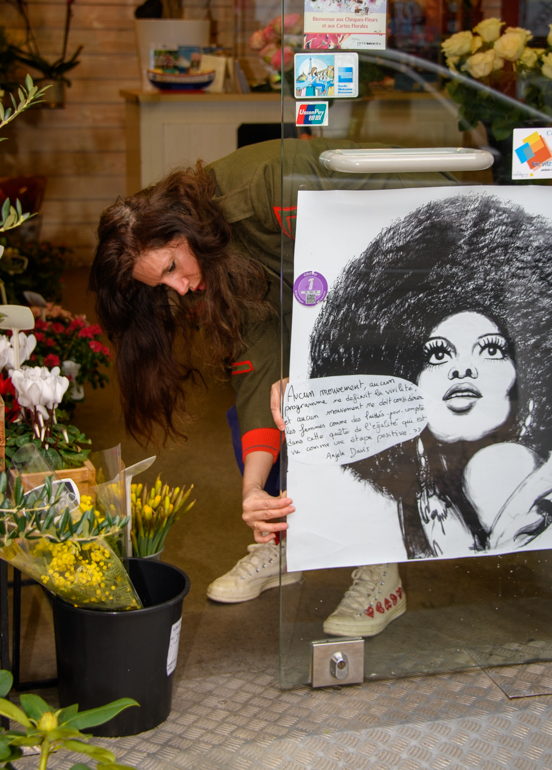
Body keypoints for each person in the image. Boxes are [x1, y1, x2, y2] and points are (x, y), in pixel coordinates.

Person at [89, 137, 446, 608]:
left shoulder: (261, 187)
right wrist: (254, 488)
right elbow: (257, 368)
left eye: (173, 267)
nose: (180, 287)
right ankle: (280, 541)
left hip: (435, 251)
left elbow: (384, 247)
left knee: (333, 400)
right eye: (164, 285)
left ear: (178, 229)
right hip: (370, 296)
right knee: (267, 409)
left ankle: (379, 566)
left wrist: (322, 364)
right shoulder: (218, 265)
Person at [306, 192, 552, 635]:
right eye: (438, 354)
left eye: (491, 349)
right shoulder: (411, 491)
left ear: (523, 374)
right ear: (407, 378)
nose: (462, 368)